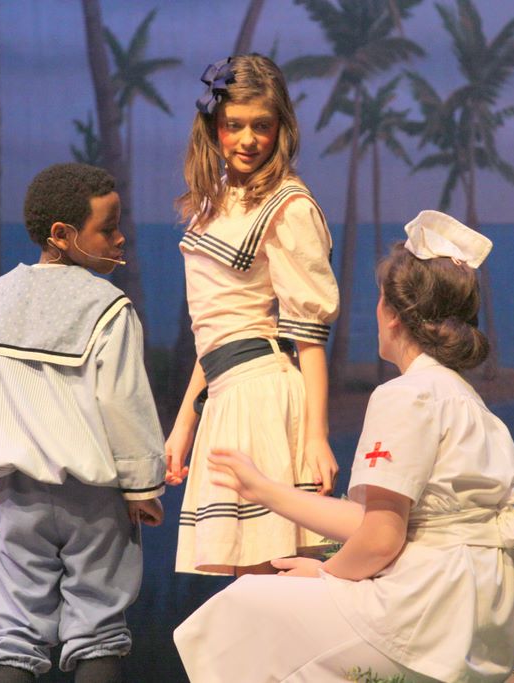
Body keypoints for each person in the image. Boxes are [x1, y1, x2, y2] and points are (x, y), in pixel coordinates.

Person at [175, 211, 514, 683]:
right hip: (489, 617)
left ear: (391, 314)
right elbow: (374, 521)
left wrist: (327, 577)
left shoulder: (406, 396)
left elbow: (381, 538)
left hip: (432, 612)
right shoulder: (468, 402)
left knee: (240, 608)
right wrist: (264, 489)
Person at [0, 162, 166, 683]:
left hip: (16, 499)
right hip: (94, 501)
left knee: (15, 632)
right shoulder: (108, 308)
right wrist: (141, 488)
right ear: (62, 235)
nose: (120, 237)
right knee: (97, 629)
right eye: (107, 228)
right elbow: (124, 402)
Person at [166, 54, 340, 576]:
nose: (247, 139)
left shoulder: (289, 205)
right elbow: (214, 332)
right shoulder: (213, 201)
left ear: (281, 128)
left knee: (273, 578)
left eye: (261, 126)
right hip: (226, 396)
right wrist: (184, 423)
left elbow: (309, 336)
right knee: (249, 585)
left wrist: (316, 436)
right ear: (213, 127)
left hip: (264, 397)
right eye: (234, 125)